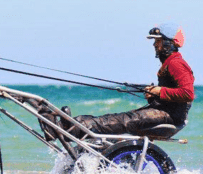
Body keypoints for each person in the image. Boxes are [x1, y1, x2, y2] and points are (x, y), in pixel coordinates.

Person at [34, 23, 194, 140]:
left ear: (168, 42)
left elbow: (187, 93)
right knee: (114, 118)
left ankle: (63, 129)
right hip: (163, 112)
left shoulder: (176, 63)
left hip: (169, 116)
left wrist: (159, 91)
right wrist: (153, 95)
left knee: (120, 121)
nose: (154, 45)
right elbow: (173, 93)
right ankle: (68, 126)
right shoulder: (170, 63)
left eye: (157, 41)